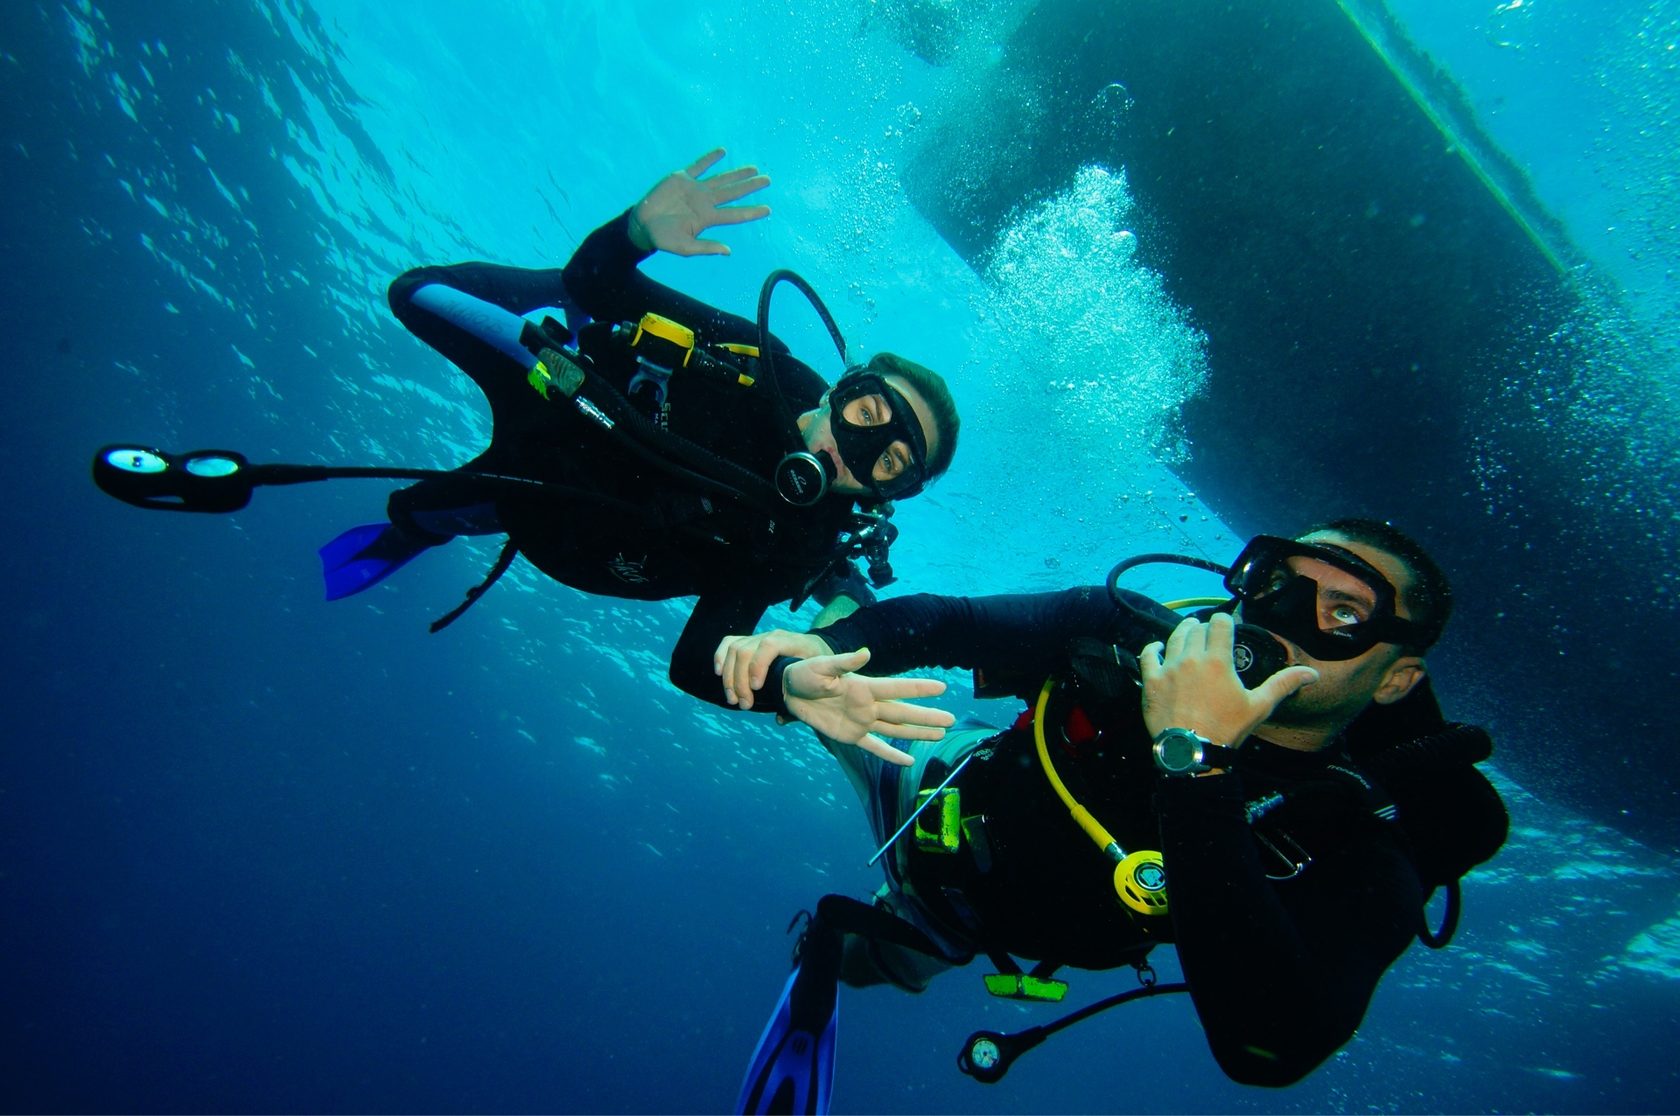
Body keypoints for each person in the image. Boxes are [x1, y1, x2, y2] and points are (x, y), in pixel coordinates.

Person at [714, 519, 1507, 1110]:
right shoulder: (1131, 638)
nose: (1282, 619)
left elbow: (1269, 1047)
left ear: (1399, 679)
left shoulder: (1354, 828)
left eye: (1342, 615)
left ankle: (850, 940)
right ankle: (835, 581)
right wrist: (821, 654)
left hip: (981, 932)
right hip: (932, 790)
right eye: (1276, 583)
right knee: (841, 676)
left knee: (857, 962)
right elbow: (951, 622)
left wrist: (1196, 759)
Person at [310, 148, 960, 704]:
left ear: (883, 496)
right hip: (556, 379)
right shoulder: (761, 364)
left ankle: (406, 534)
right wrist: (634, 234)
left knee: (421, 512)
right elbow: (595, 284)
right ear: (843, 390)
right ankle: (546, 340)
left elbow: (696, 661)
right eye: (867, 414)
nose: (856, 448)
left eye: (891, 462)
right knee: (415, 294)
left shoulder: (797, 541)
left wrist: (785, 690)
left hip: (551, 512)